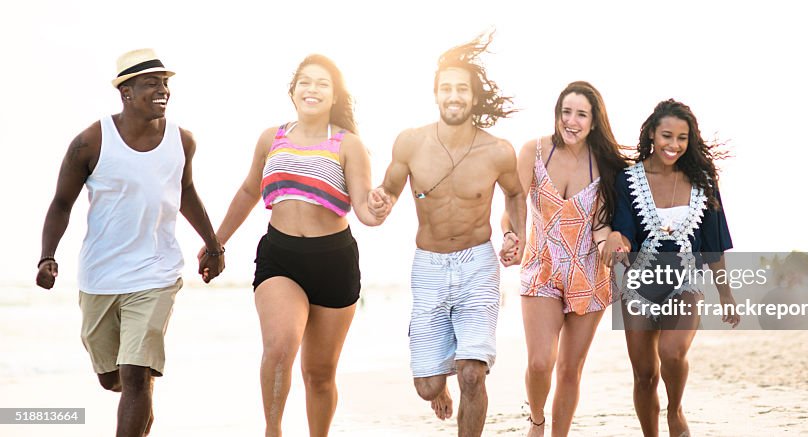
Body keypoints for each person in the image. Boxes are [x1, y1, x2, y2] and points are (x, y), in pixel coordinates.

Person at [35, 48, 224, 436]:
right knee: (113, 378)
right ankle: (141, 410)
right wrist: (47, 257)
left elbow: (186, 191)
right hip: (100, 275)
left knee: (136, 374)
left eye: (165, 83)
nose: (163, 90)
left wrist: (214, 245)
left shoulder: (182, 141)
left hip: (156, 272)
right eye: (151, 83)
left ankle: (138, 399)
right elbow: (61, 203)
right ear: (126, 92)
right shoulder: (90, 142)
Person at [210, 54, 383, 437]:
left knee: (319, 374)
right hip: (280, 257)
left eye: (322, 83)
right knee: (280, 347)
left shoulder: (348, 144)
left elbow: (364, 209)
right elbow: (246, 191)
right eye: (305, 81)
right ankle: (273, 431)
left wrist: (378, 210)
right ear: (293, 91)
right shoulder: (271, 138)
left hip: (334, 262)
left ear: (334, 95)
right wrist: (216, 243)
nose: (312, 89)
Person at [369, 32, 526, 437]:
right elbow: (388, 188)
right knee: (428, 387)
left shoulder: (497, 151)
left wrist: (516, 234)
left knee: (473, 374)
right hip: (429, 266)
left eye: (462, 89)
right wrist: (381, 200)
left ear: (473, 97)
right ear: (436, 94)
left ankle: (465, 364)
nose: (454, 95)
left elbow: (514, 194)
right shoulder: (410, 142)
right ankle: (440, 375)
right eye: (446, 88)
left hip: (477, 263)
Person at [605, 99, 740, 437]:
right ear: (652, 133)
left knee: (671, 351)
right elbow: (622, 226)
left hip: (686, 283)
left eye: (682, 138)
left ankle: (675, 410)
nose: (674, 145)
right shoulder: (628, 179)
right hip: (638, 285)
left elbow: (713, 245)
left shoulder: (704, 180)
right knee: (645, 376)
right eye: (667, 136)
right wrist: (616, 241)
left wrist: (726, 294)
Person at [509, 81, 628, 436]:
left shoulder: (606, 165)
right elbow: (514, 205)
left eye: (581, 114)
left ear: (594, 121)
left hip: (589, 272)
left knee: (570, 369)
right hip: (541, 267)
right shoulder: (534, 151)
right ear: (557, 114)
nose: (571, 121)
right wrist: (512, 235)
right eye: (566, 112)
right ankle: (537, 421)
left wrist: (614, 244)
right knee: (540, 362)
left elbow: (603, 227)